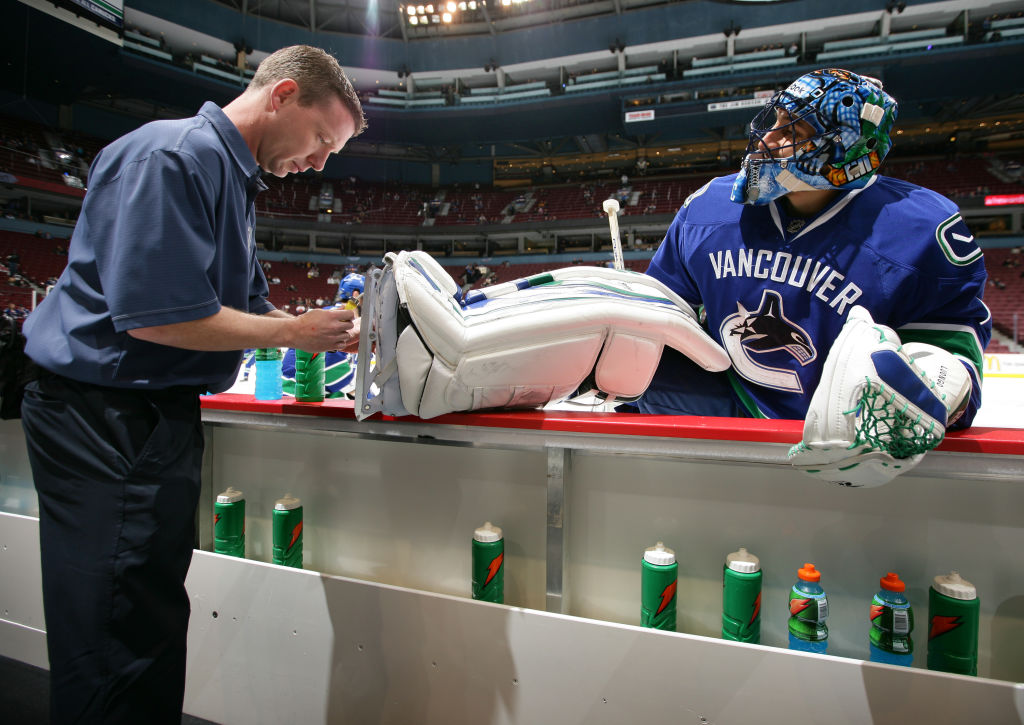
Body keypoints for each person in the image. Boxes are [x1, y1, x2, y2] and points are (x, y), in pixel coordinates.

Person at [19, 45, 365, 724]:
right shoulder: (172, 158)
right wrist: (292, 333)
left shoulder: (229, 177)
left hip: (146, 418)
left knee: (144, 623)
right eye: (322, 138)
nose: (322, 162)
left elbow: (253, 305)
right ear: (282, 94)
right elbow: (157, 317)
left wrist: (312, 326)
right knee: (113, 634)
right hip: (107, 419)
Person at [632, 68, 990, 433]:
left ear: (843, 154)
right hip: (723, 408)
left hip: (840, 431)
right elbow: (662, 313)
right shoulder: (709, 208)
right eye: (777, 119)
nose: (767, 139)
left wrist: (938, 387)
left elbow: (951, 357)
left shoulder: (920, 230)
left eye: (793, 131)